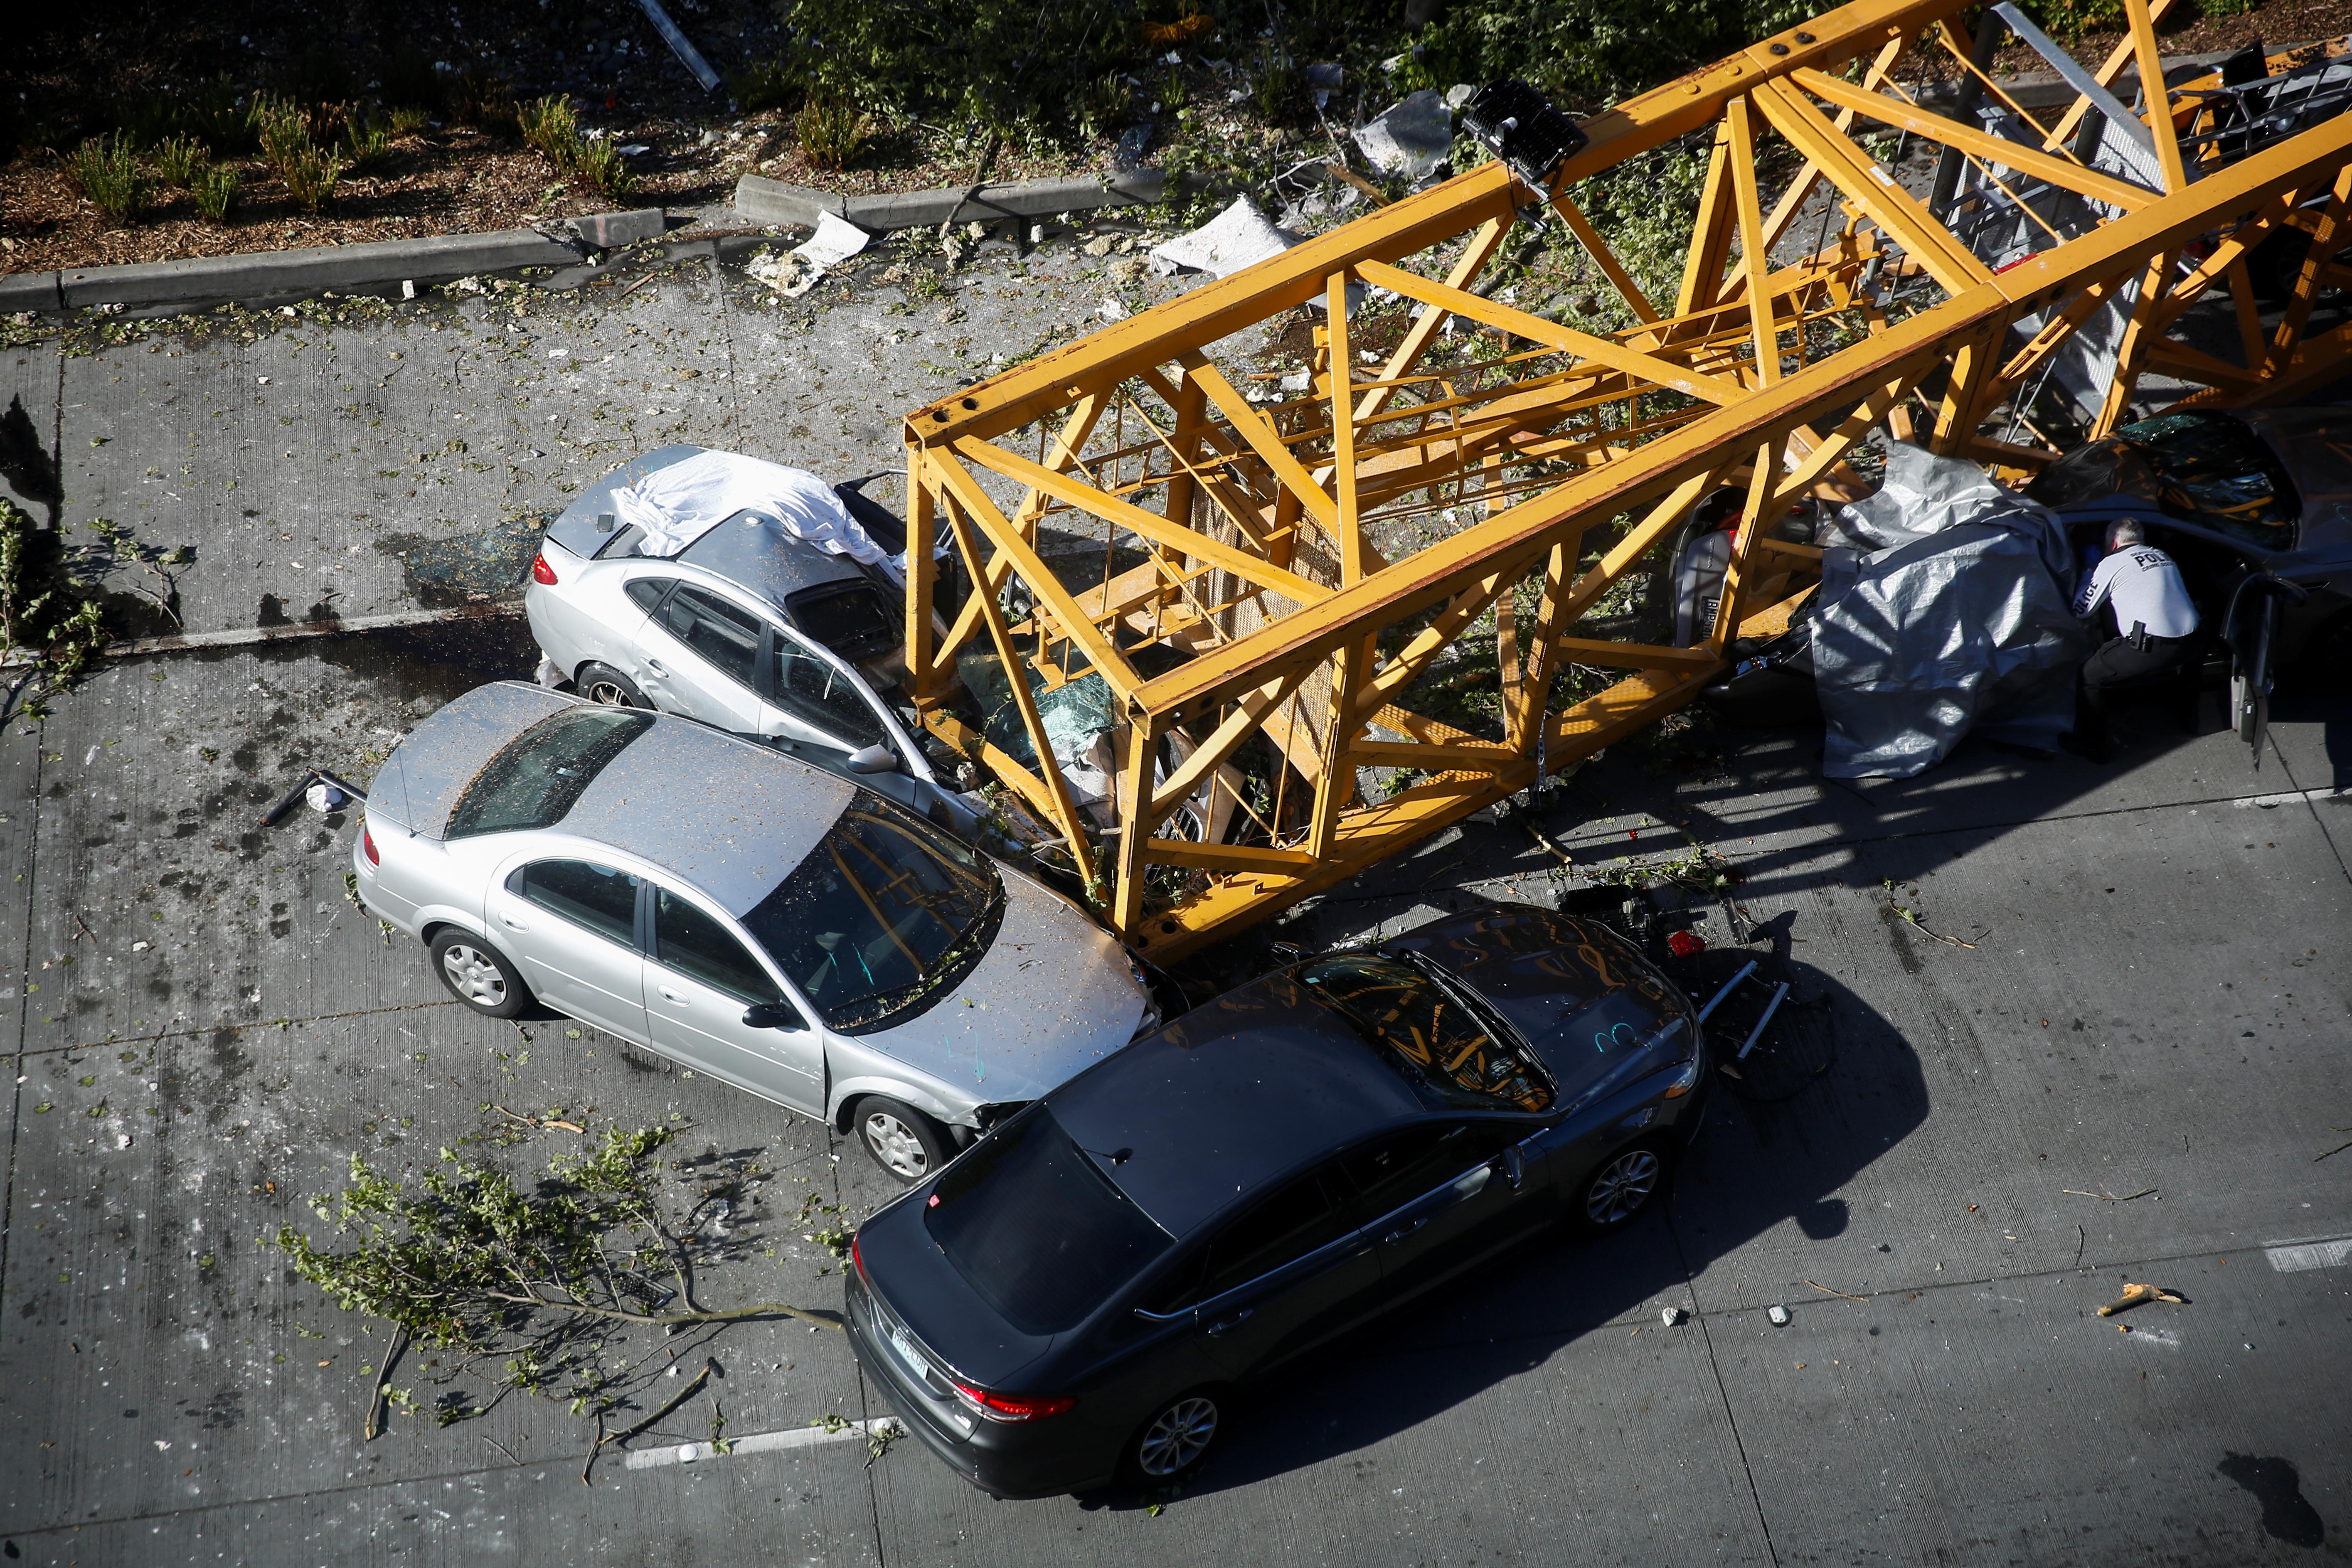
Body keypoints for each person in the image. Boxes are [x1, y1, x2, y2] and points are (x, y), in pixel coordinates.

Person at [2061, 518, 2200, 761]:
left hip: (2152, 649)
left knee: (2089, 677)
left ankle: (2095, 746)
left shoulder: (2111, 563)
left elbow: (2081, 609)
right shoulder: (2161, 555)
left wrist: (2087, 571)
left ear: (2113, 543)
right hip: (2193, 643)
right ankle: (2190, 721)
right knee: (2181, 665)